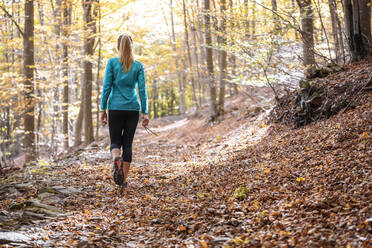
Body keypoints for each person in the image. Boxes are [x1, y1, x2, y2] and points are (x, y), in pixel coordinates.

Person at [100, 34, 149, 188]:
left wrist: (103, 108)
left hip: (115, 107)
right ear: (132, 46)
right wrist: (145, 112)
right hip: (132, 109)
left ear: (118, 46)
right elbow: (142, 90)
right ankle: (123, 180)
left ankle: (116, 158)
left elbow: (106, 86)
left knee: (115, 142)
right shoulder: (138, 65)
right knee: (127, 144)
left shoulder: (112, 63)